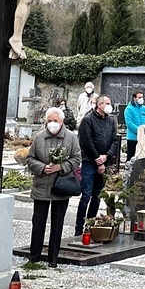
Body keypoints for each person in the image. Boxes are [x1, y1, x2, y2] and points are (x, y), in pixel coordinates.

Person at [25, 107, 81, 266]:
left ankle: (53, 259)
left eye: (55, 121)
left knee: (57, 224)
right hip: (41, 185)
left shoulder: (71, 138)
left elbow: (77, 159)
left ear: (62, 122)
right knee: (38, 223)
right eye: (49, 121)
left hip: (61, 186)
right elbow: (30, 158)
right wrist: (42, 167)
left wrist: (60, 167)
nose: (52, 123)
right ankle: (34, 257)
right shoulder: (39, 137)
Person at [74, 95, 119, 237]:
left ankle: (90, 225)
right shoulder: (88, 120)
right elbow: (86, 142)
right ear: (99, 105)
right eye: (107, 103)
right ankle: (78, 228)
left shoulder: (111, 120)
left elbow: (115, 140)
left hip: (104, 161)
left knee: (97, 196)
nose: (109, 105)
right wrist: (97, 159)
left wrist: (107, 156)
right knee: (86, 195)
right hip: (89, 161)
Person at [124, 90, 145, 161]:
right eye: (139, 97)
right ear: (134, 98)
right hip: (133, 138)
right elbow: (129, 123)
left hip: (143, 138)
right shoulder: (129, 109)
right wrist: (139, 130)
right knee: (131, 157)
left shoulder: (144, 108)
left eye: (142, 97)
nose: (141, 99)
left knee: (142, 157)